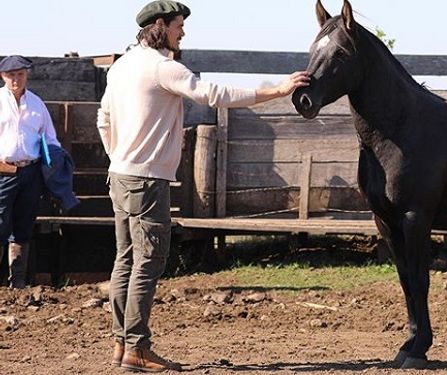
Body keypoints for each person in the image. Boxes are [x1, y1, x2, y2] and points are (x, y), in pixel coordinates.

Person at [96, 1, 310, 372]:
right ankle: (137, 348)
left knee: (126, 260)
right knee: (148, 262)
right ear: (161, 25)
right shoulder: (162, 67)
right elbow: (215, 94)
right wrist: (276, 90)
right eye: (179, 25)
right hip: (146, 181)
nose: (183, 32)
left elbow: (103, 119)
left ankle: (121, 343)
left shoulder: (122, 66)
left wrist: (120, 155)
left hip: (120, 176)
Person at [0, 55, 62, 289]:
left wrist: (54, 163)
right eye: (11, 75)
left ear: (26, 75)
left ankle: (17, 282)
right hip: (2, 171)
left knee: (23, 225)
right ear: (3, 77)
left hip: (30, 172)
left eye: (20, 74)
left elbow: (50, 137)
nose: (16, 79)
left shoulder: (37, 103)